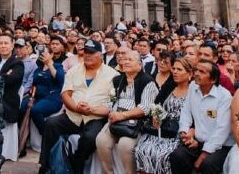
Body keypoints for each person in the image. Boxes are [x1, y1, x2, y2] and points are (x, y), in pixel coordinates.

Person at [38, 39, 118, 174]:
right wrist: (76, 108)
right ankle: (45, 165)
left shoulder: (113, 75)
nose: (87, 55)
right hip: (73, 114)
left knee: (90, 138)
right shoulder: (74, 70)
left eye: (91, 53)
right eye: (85, 52)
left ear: (100, 54)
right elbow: (65, 94)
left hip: (96, 118)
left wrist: (92, 110)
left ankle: (76, 163)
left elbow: (112, 104)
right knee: (51, 124)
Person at [95, 49, 158, 174]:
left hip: (136, 122)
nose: (126, 62)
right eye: (124, 60)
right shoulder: (118, 80)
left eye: (130, 60)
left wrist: (122, 115)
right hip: (116, 119)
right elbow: (110, 102)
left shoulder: (147, 81)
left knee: (125, 145)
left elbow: (145, 108)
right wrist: (92, 109)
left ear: (140, 66)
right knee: (101, 140)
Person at [170, 60, 234, 174]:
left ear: (213, 79)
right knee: (177, 156)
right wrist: (184, 133)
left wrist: (203, 156)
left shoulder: (224, 96)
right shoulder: (193, 86)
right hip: (198, 141)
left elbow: (222, 130)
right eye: (196, 70)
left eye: (202, 72)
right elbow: (186, 112)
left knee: (207, 164)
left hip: (220, 145)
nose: (197, 74)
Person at [136, 57, 192, 174]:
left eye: (179, 69)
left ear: (189, 73)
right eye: (174, 68)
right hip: (161, 128)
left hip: (178, 133)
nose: (175, 71)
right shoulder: (169, 86)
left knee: (163, 155)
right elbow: (156, 104)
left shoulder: (194, 91)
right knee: (142, 149)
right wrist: (156, 116)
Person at [30, 37, 68, 133]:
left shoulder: (58, 66)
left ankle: (46, 133)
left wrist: (50, 64)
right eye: (43, 53)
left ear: (51, 55)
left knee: (36, 110)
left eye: (47, 53)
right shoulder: (39, 68)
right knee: (21, 107)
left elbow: (60, 79)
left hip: (52, 98)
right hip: (37, 97)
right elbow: (34, 80)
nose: (44, 55)